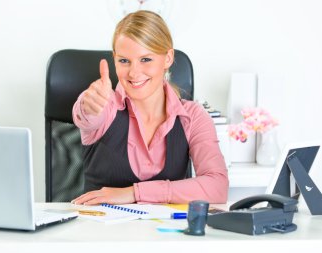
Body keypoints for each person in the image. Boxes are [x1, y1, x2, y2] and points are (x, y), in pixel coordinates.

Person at [71, 10, 228, 205]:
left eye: (145, 59)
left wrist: (133, 193)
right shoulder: (105, 105)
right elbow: (87, 114)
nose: (134, 72)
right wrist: (88, 105)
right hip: (100, 232)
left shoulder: (193, 117)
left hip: (165, 233)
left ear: (168, 58)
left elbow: (218, 187)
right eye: (124, 61)